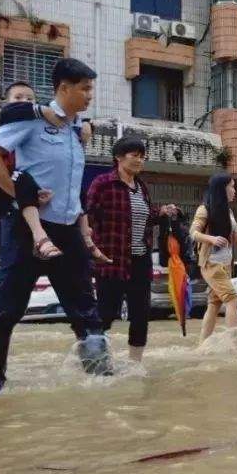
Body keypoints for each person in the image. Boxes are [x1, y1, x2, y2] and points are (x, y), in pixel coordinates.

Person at [0, 58, 110, 397]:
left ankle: (103, 382)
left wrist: (85, 232)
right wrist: (16, 193)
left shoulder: (78, 130)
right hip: (27, 228)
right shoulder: (31, 120)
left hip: (67, 231)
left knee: (86, 311)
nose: (90, 95)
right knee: (8, 310)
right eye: (85, 88)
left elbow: (71, 187)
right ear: (64, 88)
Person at [86, 136, 178, 362]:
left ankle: (135, 364)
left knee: (140, 314)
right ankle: (95, 361)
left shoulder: (141, 188)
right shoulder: (103, 183)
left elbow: (144, 218)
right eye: (134, 155)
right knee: (106, 313)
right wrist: (90, 249)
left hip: (140, 261)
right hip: (111, 260)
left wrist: (162, 212)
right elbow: (87, 217)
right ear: (118, 157)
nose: (139, 160)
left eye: (142, 156)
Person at [0, 81, 99, 262]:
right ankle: (39, 236)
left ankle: (76, 239)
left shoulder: (45, 123)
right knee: (23, 183)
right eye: (18, 97)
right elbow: (10, 112)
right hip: (17, 206)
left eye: (29, 98)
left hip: (53, 213)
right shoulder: (10, 119)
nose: (24, 101)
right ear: (6, 102)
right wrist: (41, 110)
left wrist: (88, 124)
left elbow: (69, 121)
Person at [189, 173, 237, 342]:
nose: (234, 190)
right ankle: (234, 344)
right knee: (233, 300)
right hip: (211, 264)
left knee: (214, 304)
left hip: (225, 267)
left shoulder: (229, 212)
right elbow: (193, 233)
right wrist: (211, 238)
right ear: (221, 189)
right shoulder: (204, 209)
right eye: (231, 186)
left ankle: (202, 345)